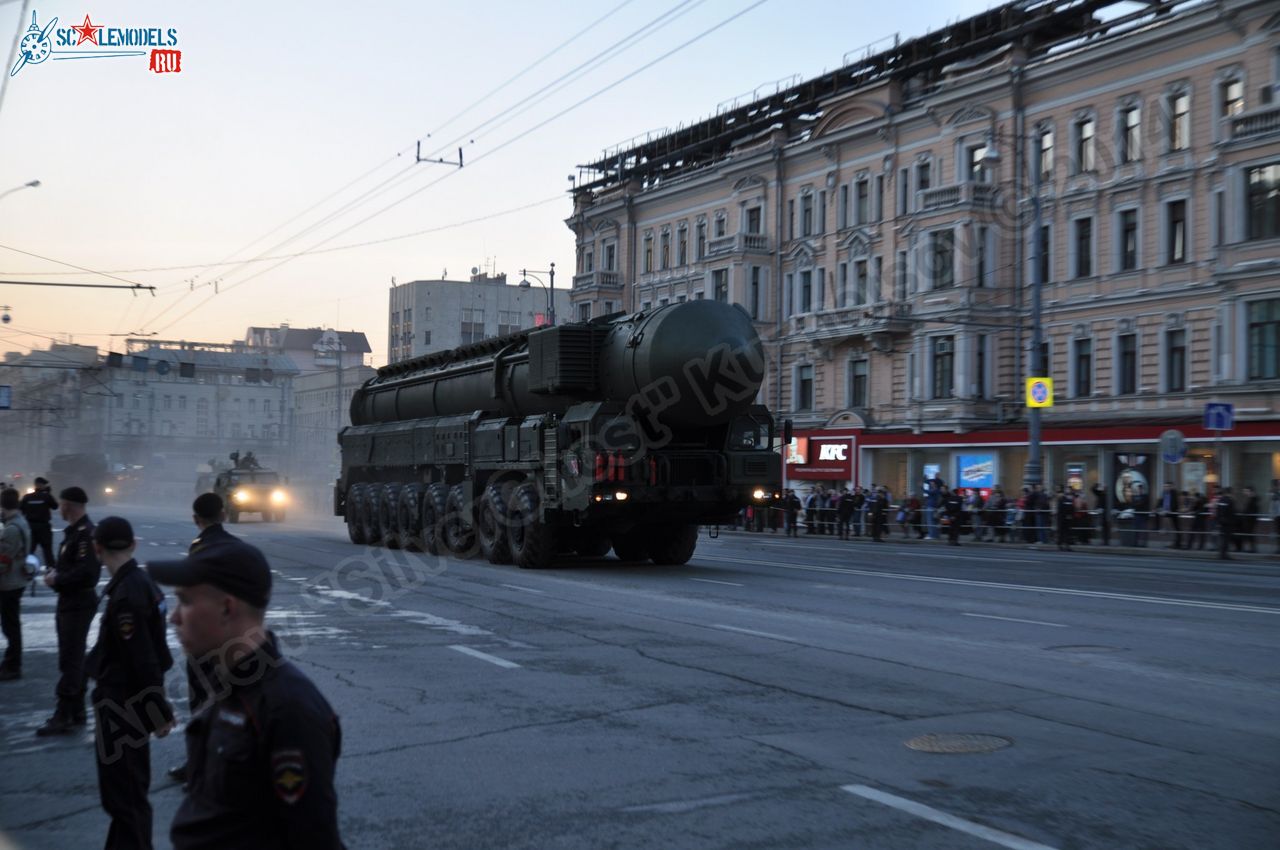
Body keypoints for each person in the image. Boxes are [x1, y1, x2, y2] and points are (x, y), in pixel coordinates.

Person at [148, 536, 346, 849]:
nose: (174, 617)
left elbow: (312, 838)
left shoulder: (288, 709)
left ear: (227, 608)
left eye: (185, 601)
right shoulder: (228, 687)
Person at [86, 517, 176, 850]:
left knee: (124, 799)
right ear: (133, 544)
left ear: (97, 549)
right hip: (129, 702)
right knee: (127, 796)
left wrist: (158, 711)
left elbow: (144, 660)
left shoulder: (126, 595)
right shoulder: (144, 584)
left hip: (121, 705)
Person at [169, 493, 237, 785]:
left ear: (196, 519)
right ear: (223, 515)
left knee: (201, 702)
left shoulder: (200, 548)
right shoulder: (238, 547)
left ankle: (199, 766)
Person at [37, 486, 103, 736]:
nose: (59, 508)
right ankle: (75, 710)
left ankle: (64, 713)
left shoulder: (85, 534)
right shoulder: (76, 532)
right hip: (71, 601)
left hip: (77, 602)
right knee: (71, 657)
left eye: (62, 504)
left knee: (71, 659)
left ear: (70, 506)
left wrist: (58, 579)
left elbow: (88, 574)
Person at [1, 488, 34, 680]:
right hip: (16, 579)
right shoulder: (20, 522)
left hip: (10, 582)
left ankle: (13, 665)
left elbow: (3, 560)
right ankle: (11, 662)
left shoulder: (12, 529)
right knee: (11, 624)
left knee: (10, 626)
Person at [20, 476, 58, 581]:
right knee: (47, 551)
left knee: (29, 551)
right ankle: (51, 571)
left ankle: (25, 571)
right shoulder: (46, 497)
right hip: (43, 527)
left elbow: (21, 510)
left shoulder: (27, 497)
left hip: (31, 527)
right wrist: (49, 493)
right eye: (44, 484)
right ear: (40, 485)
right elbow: (55, 506)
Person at [1214, 486, 1235, 560]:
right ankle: (1224, 554)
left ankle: (1221, 554)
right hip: (1228, 522)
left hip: (1221, 522)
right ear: (1230, 493)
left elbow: (1217, 511)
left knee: (1222, 538)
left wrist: (1218, 521)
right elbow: (1232, 512)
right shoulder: (1230, 500)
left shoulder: (1220, 500)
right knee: (1226, 539)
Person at [1160, 483, 1183, 549]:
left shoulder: (1174, 493)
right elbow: (1161, 501)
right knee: (1169, 526)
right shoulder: (1164, 493)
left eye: (1167, 486)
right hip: (1166, 512)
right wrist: (1159, 507)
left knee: (1176, 528)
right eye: (1165, 486)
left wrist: (1170, 509)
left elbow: (1175, 503)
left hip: (1173, 512)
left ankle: (1177, 543)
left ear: (1170, 487)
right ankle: (1171, 541)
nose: (1166, 488)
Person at [1239, 486, 1260, 553]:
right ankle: (1250, 548)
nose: (1245, 493)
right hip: (1248, 520)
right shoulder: (1250, 499)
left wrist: (1244, 512)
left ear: (1251, 491)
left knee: (1249, 534)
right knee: (1248, 534)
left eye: (1246, 491)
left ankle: (1251, 548)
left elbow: (1251, 510)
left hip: (1250, 520)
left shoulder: (1253, 499)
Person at [1055, 484, 1075, 551]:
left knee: (1067, 532)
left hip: (1066, 519)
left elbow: (1072, 508)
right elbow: (1060, 509)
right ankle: (1060, 545)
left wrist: (1070, 515)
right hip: (1062, 518)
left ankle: (1066, 545)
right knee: (1061, 532)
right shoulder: (1063, 499)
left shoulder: (1069, 500)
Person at [1270, 479, 1280, 554]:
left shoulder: (1276, 494)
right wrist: (1273, 515)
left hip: (1278, 516)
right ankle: (1278, 548)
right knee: (1278, 533)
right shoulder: (1275, 494)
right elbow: (1273, 506)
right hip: (1277, 516)